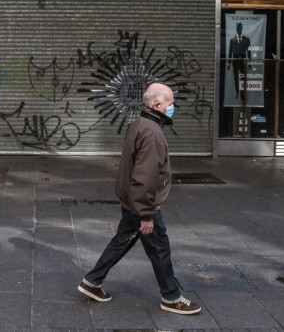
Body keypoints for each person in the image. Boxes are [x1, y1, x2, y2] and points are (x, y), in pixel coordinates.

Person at [77, 82, 201, 315]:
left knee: (123, 240)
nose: (173, 108)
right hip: (143, 204)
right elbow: (144, 177)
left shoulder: (141, 123)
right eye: (170, 104)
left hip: (132, 200)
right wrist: (146, 215)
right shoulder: (152, 133)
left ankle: (92, 281)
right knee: (159, 249)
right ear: (157, 104)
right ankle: (171, 297)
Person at [226, 22, 251, 102]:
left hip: (243, 62)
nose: (238, 30)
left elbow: (249, 51)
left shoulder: (246, 39)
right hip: (235, 62)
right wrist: (229, 63)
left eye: (240, 28)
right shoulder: (232, 40)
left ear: (242, 29)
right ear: (236, 29)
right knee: (236, 79)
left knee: (242, 79)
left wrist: (249, 62)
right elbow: (230, 53)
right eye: (237, 28)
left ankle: (242, 96)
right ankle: (237, 93)